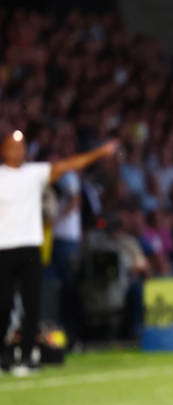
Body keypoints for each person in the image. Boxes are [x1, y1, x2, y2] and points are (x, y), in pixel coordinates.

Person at [0, 130, 118, 375]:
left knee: (33, 305)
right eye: (13, 147)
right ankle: (4, 355)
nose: (18, 151)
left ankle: (27, 356)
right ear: (4, 150)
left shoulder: (33, 174)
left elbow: (68, 165)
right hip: (4, 248)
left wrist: (100, 152)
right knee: (4, 304)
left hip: (31, 246)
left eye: (22, 147)